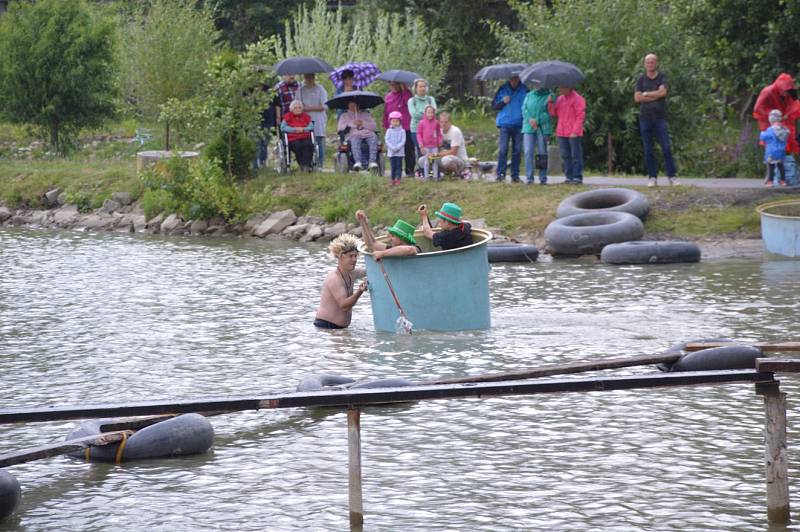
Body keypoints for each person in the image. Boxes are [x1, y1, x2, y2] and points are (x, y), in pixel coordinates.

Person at [634, 54, 678, 187]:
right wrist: (655, 95)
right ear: (644, 64)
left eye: (652, 62)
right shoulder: (641, 79)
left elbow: (663, 93)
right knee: (648, 149)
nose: (650, 64)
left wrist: (646, 94)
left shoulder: (662, 77)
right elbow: (637, 98)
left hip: (660, 118)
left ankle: (672, 176)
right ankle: (652, 177)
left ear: (657, 63)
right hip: (645, 118)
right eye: (648, 62)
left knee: (666, 147)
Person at [314, 233, 368, 329]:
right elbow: (344, 306)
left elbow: (369, 271)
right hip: (326, 327)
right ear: (340, 256)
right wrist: (360, 291)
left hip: (340, 329)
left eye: (356, 256)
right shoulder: (334, 278)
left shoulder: (353, 273)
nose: (354, 259)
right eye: (351, 256)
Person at [753, 73, 800, 184]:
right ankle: (770, 176)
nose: (786, 93)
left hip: (782, 122)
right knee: (771, 153)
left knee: (786, 147)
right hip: (769, 122)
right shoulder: (768, 91)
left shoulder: (788, 94)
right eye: (785, 90)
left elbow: (794, 105)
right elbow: (758, 108)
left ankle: (785, 176)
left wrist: (787, 116)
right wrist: (774, 116)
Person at [492, 75, 528, 182]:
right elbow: (493, 106)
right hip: (505, 123)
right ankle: (500, 174)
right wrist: (503, 102)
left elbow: (529, 106)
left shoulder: (525, 89)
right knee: (503, 149)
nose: (513, 81)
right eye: (511, 79)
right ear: (509, 79)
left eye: (516, 79)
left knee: (517, 150)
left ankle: (515, 175)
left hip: (519, 124)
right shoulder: (503, 89)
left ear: (519, 79)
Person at [548, 86, 586, 184]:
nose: (560, 90)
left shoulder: (578, 99)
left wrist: (575, 131)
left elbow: (580, 116)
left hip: (573, 132)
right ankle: (569, 177)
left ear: (568, 87)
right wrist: (550, 103)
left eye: (562, 88)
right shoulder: (560, 99)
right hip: (561, 131)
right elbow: (553, 113)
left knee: (575, 155)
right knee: (565, 155)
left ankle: (577, 177)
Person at [522, 84, 554, 185]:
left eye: (539, 83)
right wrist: (530, 119)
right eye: (535, 83)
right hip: (528, 127)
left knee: (542, 153)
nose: (537, 85)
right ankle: (529, 177)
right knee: (528, 151)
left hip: (543, 128)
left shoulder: (550, 95)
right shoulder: (529, 95)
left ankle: (542, 178)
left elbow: (551, 113)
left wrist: (538, 121)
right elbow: (524, 109)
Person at [356, 210, 421, 260]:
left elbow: (408, 250)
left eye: (392, 236)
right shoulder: (392, 249)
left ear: (402, 238)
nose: (389, 239)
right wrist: (363, 223)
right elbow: (371, 243)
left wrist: (383, 253)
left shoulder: (415, 248)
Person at [383, 81, 415, 177]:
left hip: (406, 126)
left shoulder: (406, 93)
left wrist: (404, 90)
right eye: (391, 84)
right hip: (392, 127)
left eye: (396, 84)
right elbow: (386, 112)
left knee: (408, 149)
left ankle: (410, 171)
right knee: (395, 149)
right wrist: (385, 125)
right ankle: (396, 172)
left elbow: (409, 103)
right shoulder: (388, 96)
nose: (394, 86)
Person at [338, 100, 379, 171]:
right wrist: (352, 124)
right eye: (351, 106)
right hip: (353, 134)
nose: (353, 107)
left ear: (358, 106)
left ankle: (372, 161)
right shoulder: (344, 116)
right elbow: (340, 129)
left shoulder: (366, 114)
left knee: (373, 137)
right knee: (355, 139)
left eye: (355, 106)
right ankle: (358, 162)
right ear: (348, 106)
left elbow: (373, 126)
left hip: (367, 133)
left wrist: (363, 123)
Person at [407, 79, 437, 174]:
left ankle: (431, 173)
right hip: (416, 130)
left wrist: (423, 113)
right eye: (420, 86)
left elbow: (434, 111)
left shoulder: (430, 99)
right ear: (415, 88)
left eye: (424, 86)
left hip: (430, 130)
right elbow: (414, 115)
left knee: (431, 151)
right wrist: (427, 113)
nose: (422, 88)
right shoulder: (412, 101)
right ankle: (422, 172)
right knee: (421, 151)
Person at [299, 73, 328, 168]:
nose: (309, 79)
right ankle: (308, 163)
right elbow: (297, 105)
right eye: (307, 77)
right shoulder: (300, 90)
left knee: (319, 141)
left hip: (319, 119)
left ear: (314, 77)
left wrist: (308, 108)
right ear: (304, 78)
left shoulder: (320, 89)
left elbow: (324, 106)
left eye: (311, 77)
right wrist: (304, 108)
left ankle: (320, 164)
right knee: (307, 141)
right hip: (305, 120)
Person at [280, 100, 315, 171]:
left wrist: (303, 129)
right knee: (297, 145)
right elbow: (283, 128)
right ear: (292, 109)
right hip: (292, 138)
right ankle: (302, 164)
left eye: (300, 107)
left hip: (305, 136)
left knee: (308, 144)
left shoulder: (306, 116)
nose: (298, 109)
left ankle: (306, 165)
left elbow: (311, 126)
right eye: (296, 108)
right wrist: (294, 129)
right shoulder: (287, 116)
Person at [760, 109, 790, 187]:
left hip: (771, 151)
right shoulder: (784, 129)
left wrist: (762, 133)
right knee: (781, 166)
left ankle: (770, 181)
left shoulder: (770, 129)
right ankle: (783, 181)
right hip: (781, 151)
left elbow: (764, 137)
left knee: (771, 167)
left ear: (771, 119)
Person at [437, 112, 469, 178]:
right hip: (443, 156)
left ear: (450, 122)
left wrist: (437, 154)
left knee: (446, 160)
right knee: (424, 160)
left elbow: (453, 152)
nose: (443, 124)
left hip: (459, 159)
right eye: (441, 122)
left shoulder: (455, 131)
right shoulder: (438, 131)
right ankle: (431, 175)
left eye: (446, 122)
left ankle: (458, 174)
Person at [416, 105, 442, 180]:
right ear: (425, 113)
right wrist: (421, 144)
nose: (430, 114)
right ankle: (427, 177)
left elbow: (439, 133)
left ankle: (435, 176)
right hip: (426, 146)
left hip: (434, 146)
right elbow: (418, 134)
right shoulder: (421, 123)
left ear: (434, 113)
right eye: (428, 112)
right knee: (427, 162)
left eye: (432, 112)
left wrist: (440, 141)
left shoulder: (436, 122)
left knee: (434, 162)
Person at [385, 110, 406, 185]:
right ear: (390, 121)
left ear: (400, 121)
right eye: (393, 121)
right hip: (392, 152)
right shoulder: (389, 131)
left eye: (397, 121)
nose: (395, 123)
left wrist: (397, 147)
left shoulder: (402, 131)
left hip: (399, 153)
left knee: (399, 166)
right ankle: (392, 179)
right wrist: (392, 147)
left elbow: (403, 141)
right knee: (393, 166)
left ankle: (398, 179)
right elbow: (387, 140)